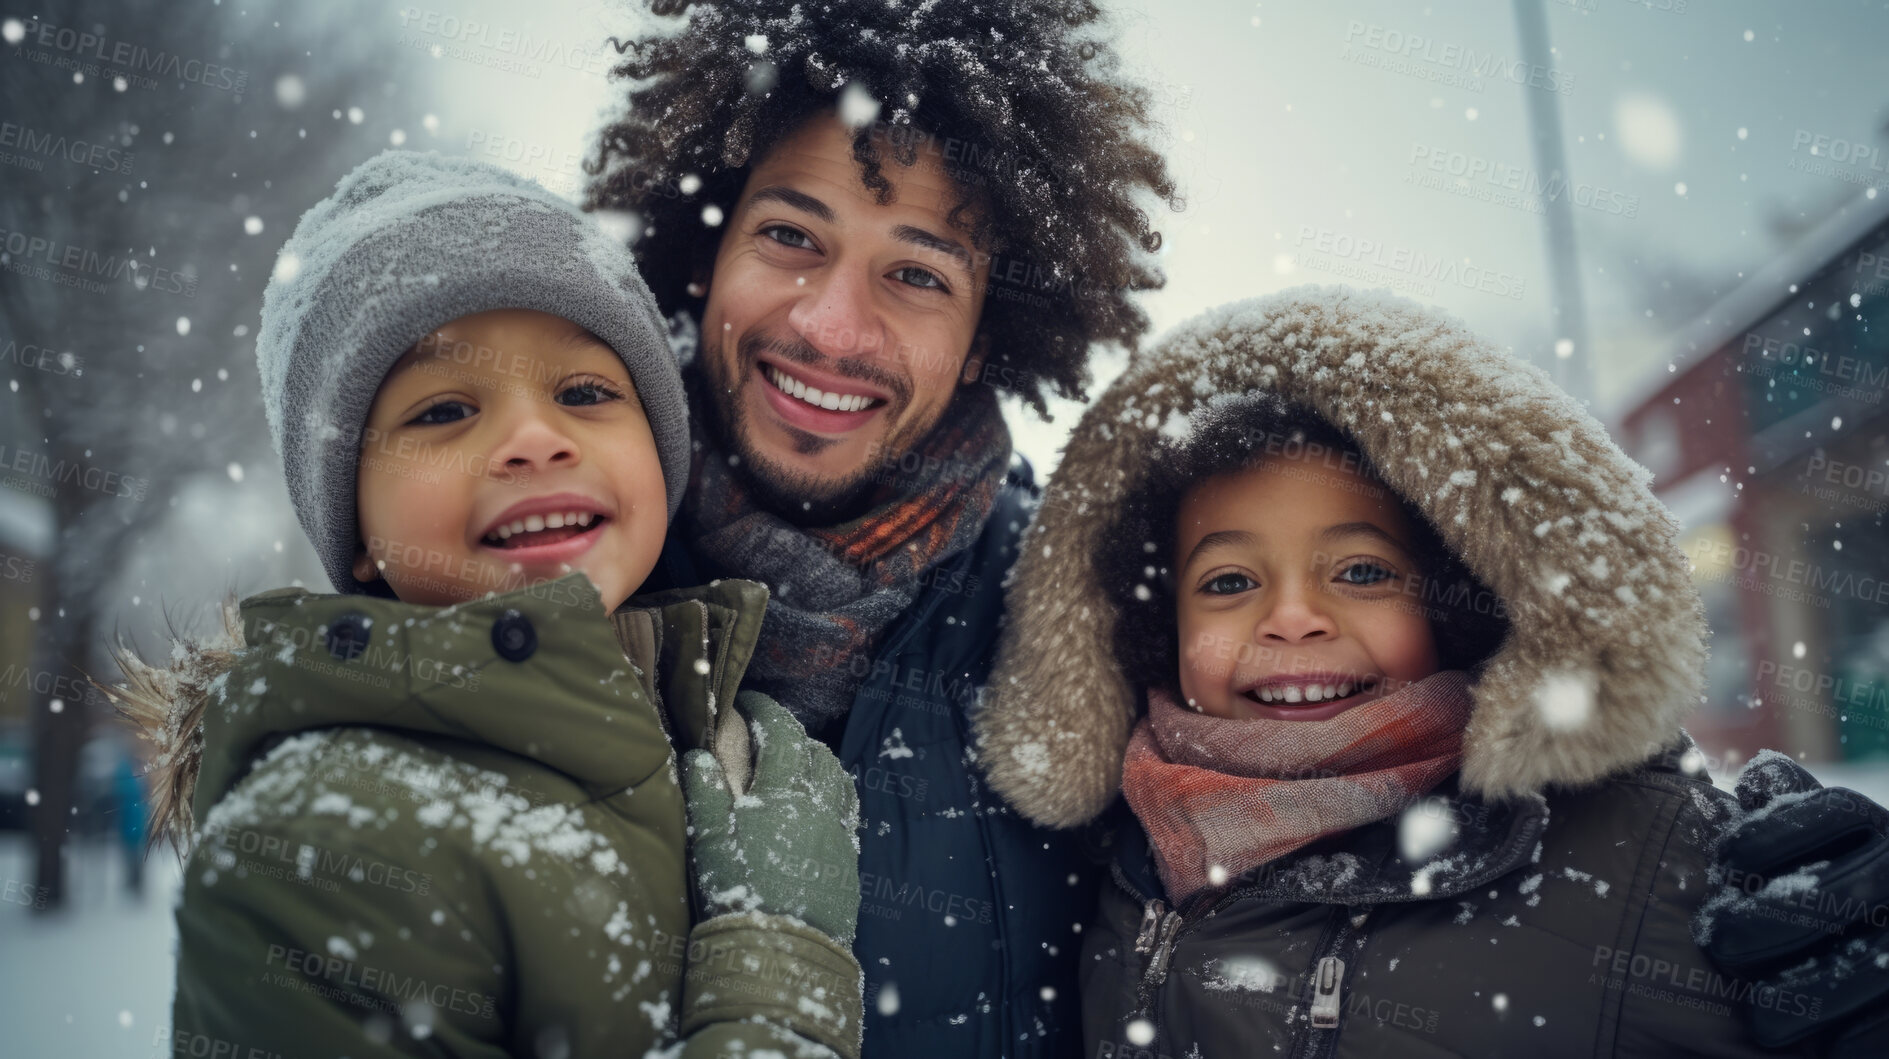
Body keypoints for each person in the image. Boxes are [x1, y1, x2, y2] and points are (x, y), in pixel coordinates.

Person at [976, 285, 1881, 1056]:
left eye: (1362, 571)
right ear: (1157, 626)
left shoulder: (1640, 855)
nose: (1291, 617)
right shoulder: (1113, 856)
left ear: (1450, 598)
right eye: (1229, 580)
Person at [102, 151, 863, 1058]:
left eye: (584, 392)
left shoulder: (728, 737)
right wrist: (776, 976)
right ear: (354, 527)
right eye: (441, 410)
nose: (535, 439)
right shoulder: (321, 843)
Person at [584, 1, 1179, 1053]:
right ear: (701, 253)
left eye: (915, 274)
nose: (828, 326)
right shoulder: (548, 575)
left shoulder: (1101, 628)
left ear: (986, 336)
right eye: (788, 235)